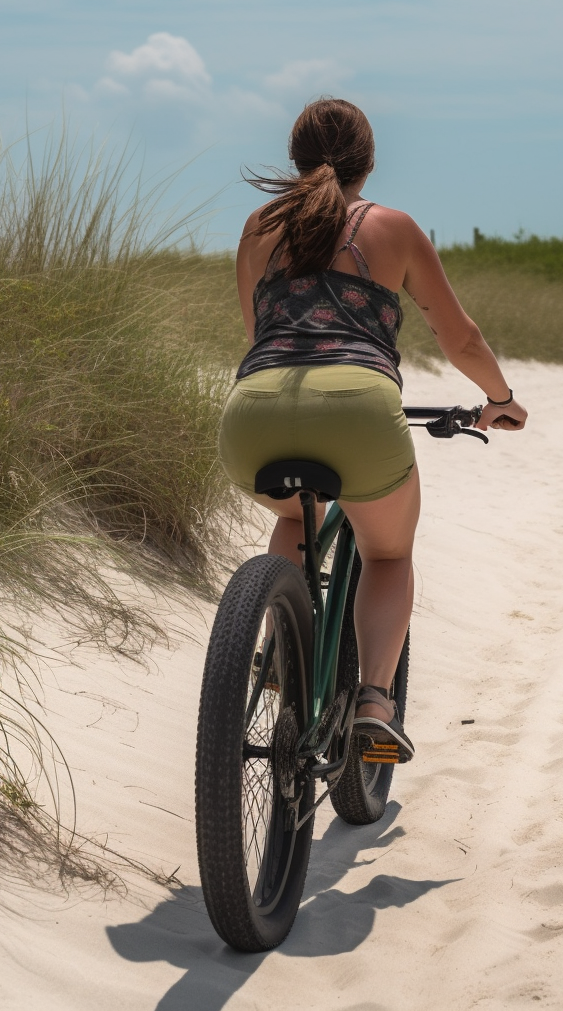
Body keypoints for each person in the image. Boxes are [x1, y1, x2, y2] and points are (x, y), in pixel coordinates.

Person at [219, 98, 527, 761]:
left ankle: (279, 641)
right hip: (358, 409)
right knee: (386, 552)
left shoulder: (257, 227)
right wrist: (498, 398)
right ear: (371, 161)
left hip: (254, 409)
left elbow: (259, 334)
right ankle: (374, 701)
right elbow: (462, 338)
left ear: (296, 157)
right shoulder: (393, 227)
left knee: (297, 517)